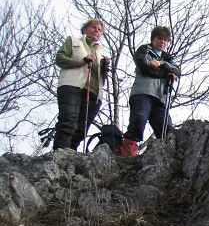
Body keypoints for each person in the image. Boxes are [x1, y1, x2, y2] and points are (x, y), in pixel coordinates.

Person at [119, 26, 181, 157]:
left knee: (166, 129)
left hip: (161, 97)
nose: (162, 42)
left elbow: (177, 71)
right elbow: (145, 68)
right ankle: (127, 155)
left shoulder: (167, 58)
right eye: (160, 38)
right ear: (153, 39)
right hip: (143, 92)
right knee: (138, 122)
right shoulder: (144, 50)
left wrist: (162, 65)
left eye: (165, 40)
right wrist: (166, 74)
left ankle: (167, 157)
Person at [53, 19, 110, 151]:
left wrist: (103, 67)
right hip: (72, 86)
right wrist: (81, 61)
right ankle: (60, 152)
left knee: (82, 128)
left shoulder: (99, 53)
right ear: (84, 30)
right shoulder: (73, 41)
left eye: (99, 30)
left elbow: (101, 79)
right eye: (93, 27)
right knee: (68, 120)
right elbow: (60, 58)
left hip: (94, 93)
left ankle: (71, 153)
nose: (96, 30)